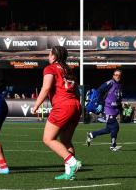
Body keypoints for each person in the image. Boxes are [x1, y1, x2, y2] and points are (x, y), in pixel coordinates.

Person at [31, 46, 82, 181]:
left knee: (48, 139)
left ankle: (72, 162)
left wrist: (36, 105)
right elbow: (77, 92)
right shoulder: (68, 69)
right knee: (66, 141)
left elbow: (46, 87)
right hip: (75, 105)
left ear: (54, 56)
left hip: (63, 106)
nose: (48, 56)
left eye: (49, 54)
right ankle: (69, 174)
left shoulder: (50, 68)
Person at [87, 69, 123, 151]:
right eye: (116, 75)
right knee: (115, 127)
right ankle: (113, 146)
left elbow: (118, 98)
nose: (117, 76)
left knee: (108, 129)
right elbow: (99, 90)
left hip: (114, 109)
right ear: (113, 76)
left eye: (119, 75)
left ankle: (92, 134)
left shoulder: (119, 85)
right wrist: (100, 103)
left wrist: (120, 109)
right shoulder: (110, 83)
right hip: (108, 109)